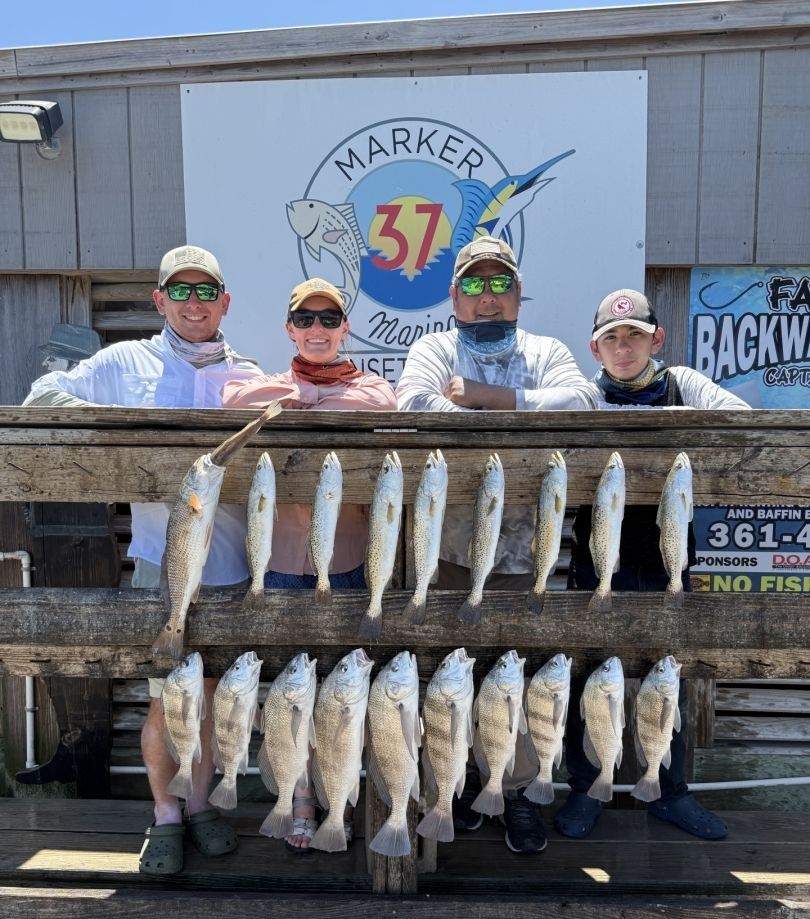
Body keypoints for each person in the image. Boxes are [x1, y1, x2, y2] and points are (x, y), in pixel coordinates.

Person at [24, 245, 265, 875]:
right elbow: (46, 392)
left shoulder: (247, 374)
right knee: (165, 700)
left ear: (225, 302)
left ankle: (203, 805)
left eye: (205, 291)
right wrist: (103, 427)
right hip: (161, 561)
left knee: (209, 700)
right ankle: (164, 815)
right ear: (159, 300)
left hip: (235, 565)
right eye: (179, 292)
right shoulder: (123, 362)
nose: (193, 303)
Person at [396, 236, 597, 855]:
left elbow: (583, 400)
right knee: (445, 679)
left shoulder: (546, 350)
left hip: (525, 557)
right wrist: (521, 425)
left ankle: (510, 794)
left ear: (517, 293)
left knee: (514, 682)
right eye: (474, 286)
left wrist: (490, 401)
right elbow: (415, 403)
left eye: (499, 285)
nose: (487, 298)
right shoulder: (433, 347)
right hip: (443, 553)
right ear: (455, 294)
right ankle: (450, 789)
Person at [556, 288, 749, 842]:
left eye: (634, 336)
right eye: (611, 339)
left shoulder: (683, 384)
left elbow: (739, 418)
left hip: (668, 557)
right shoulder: (586, 396)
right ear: (595, 349)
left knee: (670, 677)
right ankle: (587, 787)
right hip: (598, 559)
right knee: (591, 676)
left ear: (656, 340)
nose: (623, 348)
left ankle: (671, 793)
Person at [223, 276, 396, 853]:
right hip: (277, 567)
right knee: (289, 696)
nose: (317, 330)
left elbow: (380, 403)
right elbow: (233, 400)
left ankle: (340, 796)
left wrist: (305, 400)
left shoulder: (366, 383)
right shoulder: (268, 380)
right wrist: (301, 394)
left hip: (348, 566)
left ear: (345, 329)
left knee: (343, 694)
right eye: (306, 321)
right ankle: (298, 798)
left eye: (329, 321)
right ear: (289, 329)